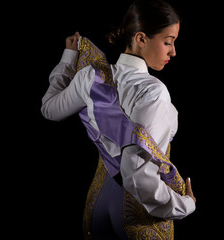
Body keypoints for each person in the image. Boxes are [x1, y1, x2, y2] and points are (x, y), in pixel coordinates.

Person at [41, 0, 196, 239]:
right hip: (139, 211)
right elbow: (136, 172)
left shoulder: (89, 76)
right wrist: (184, 205)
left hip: (98, 202)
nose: (173, 52)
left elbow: (49, 109)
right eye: (168, 42)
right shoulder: (154, 91)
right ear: (141, 38)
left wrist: (68, 58)